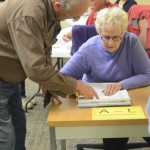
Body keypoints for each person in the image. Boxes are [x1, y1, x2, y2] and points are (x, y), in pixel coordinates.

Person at [0, 0, 99, 150]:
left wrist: (47, 83)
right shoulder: (29, 14)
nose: (76, 20)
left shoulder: (48, 12)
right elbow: (36, 68)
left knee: (18, 127)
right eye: (73, 17)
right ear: (57, 5)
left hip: (10, 76)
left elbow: (42, 49)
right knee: (5, 138)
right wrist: (76, 85)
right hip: (3, 75)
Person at [60, 7, 150, 150]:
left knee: (145, 127)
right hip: (98, 104)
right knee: (115, 141)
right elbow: (63, 76)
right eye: (106, 37)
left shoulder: (131, 42)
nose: (110, 43)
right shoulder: (89, 48)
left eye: (116, 37)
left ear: (123, 33)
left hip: (128, 101)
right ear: (99, 32)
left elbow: (147, 74)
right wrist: (77, 85)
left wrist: (121, 84)